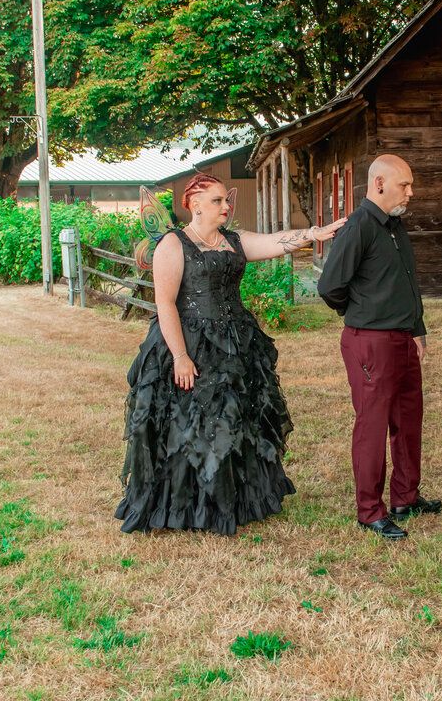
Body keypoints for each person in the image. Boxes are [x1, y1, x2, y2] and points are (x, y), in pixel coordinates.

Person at [115, 174, 346, 535]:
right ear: (194, 205)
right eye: (218, 201)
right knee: (189, 424)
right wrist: (179, 355)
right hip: (189, 342)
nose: (226, 206)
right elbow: (165, 304)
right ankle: (184, 504)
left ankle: (232, 499)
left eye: (226, 200)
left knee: (236, 419)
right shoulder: (174, 245)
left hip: (236, 343)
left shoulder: (234, 241)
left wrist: (313, 234)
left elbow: (275, 243)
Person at [317, 154, 441, 540]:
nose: (411, 191)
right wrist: (363, 314)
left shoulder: (395, 226)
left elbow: (407, 281)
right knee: (372, 426)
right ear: (380, 183)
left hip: (404, 339)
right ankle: (370, 510)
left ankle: (405, 497)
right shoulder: (359, 226)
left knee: (408, 420)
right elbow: (329, 286)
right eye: (405, 184)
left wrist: (417, 329)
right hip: (371, 342)